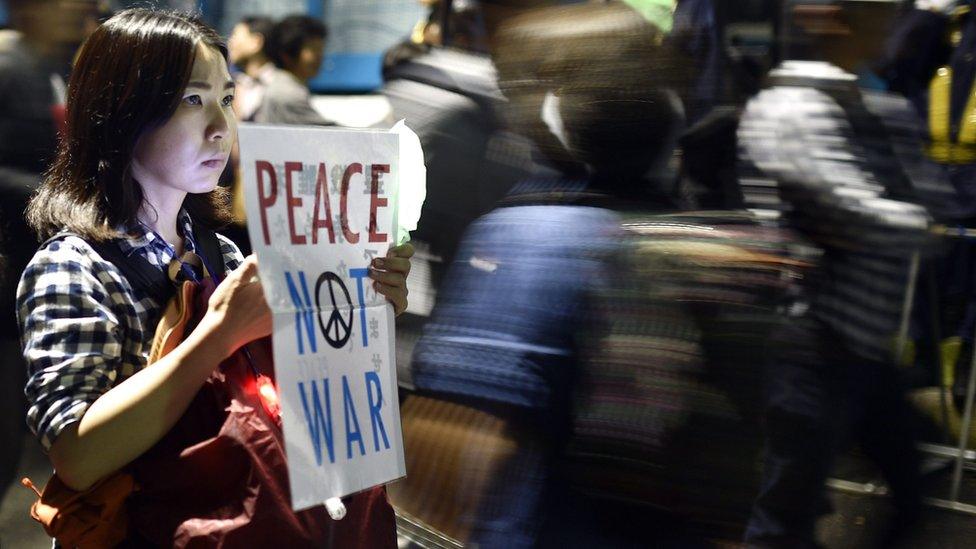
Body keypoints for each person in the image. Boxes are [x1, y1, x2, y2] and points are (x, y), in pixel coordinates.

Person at [17, 8, 411, 545]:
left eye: (227, 98)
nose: (222, 127)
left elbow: (296, 389)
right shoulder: (73, 265)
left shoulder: (218, 250)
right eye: (192, 100)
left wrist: (363, 310)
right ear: (121, 110)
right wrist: (220, 332)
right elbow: (76, 457)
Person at [254, 14, 334, 126]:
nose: (320, 57)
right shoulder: (287, 94)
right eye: (313, 50)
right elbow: (328, 133)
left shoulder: (284, 84)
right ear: (287, 54)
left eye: (321, 49)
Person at [227, 15, 275, 122]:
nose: (230, 43)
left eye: (235, 36)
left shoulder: (279, 85)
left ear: (256, 42)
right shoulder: (235, 82)